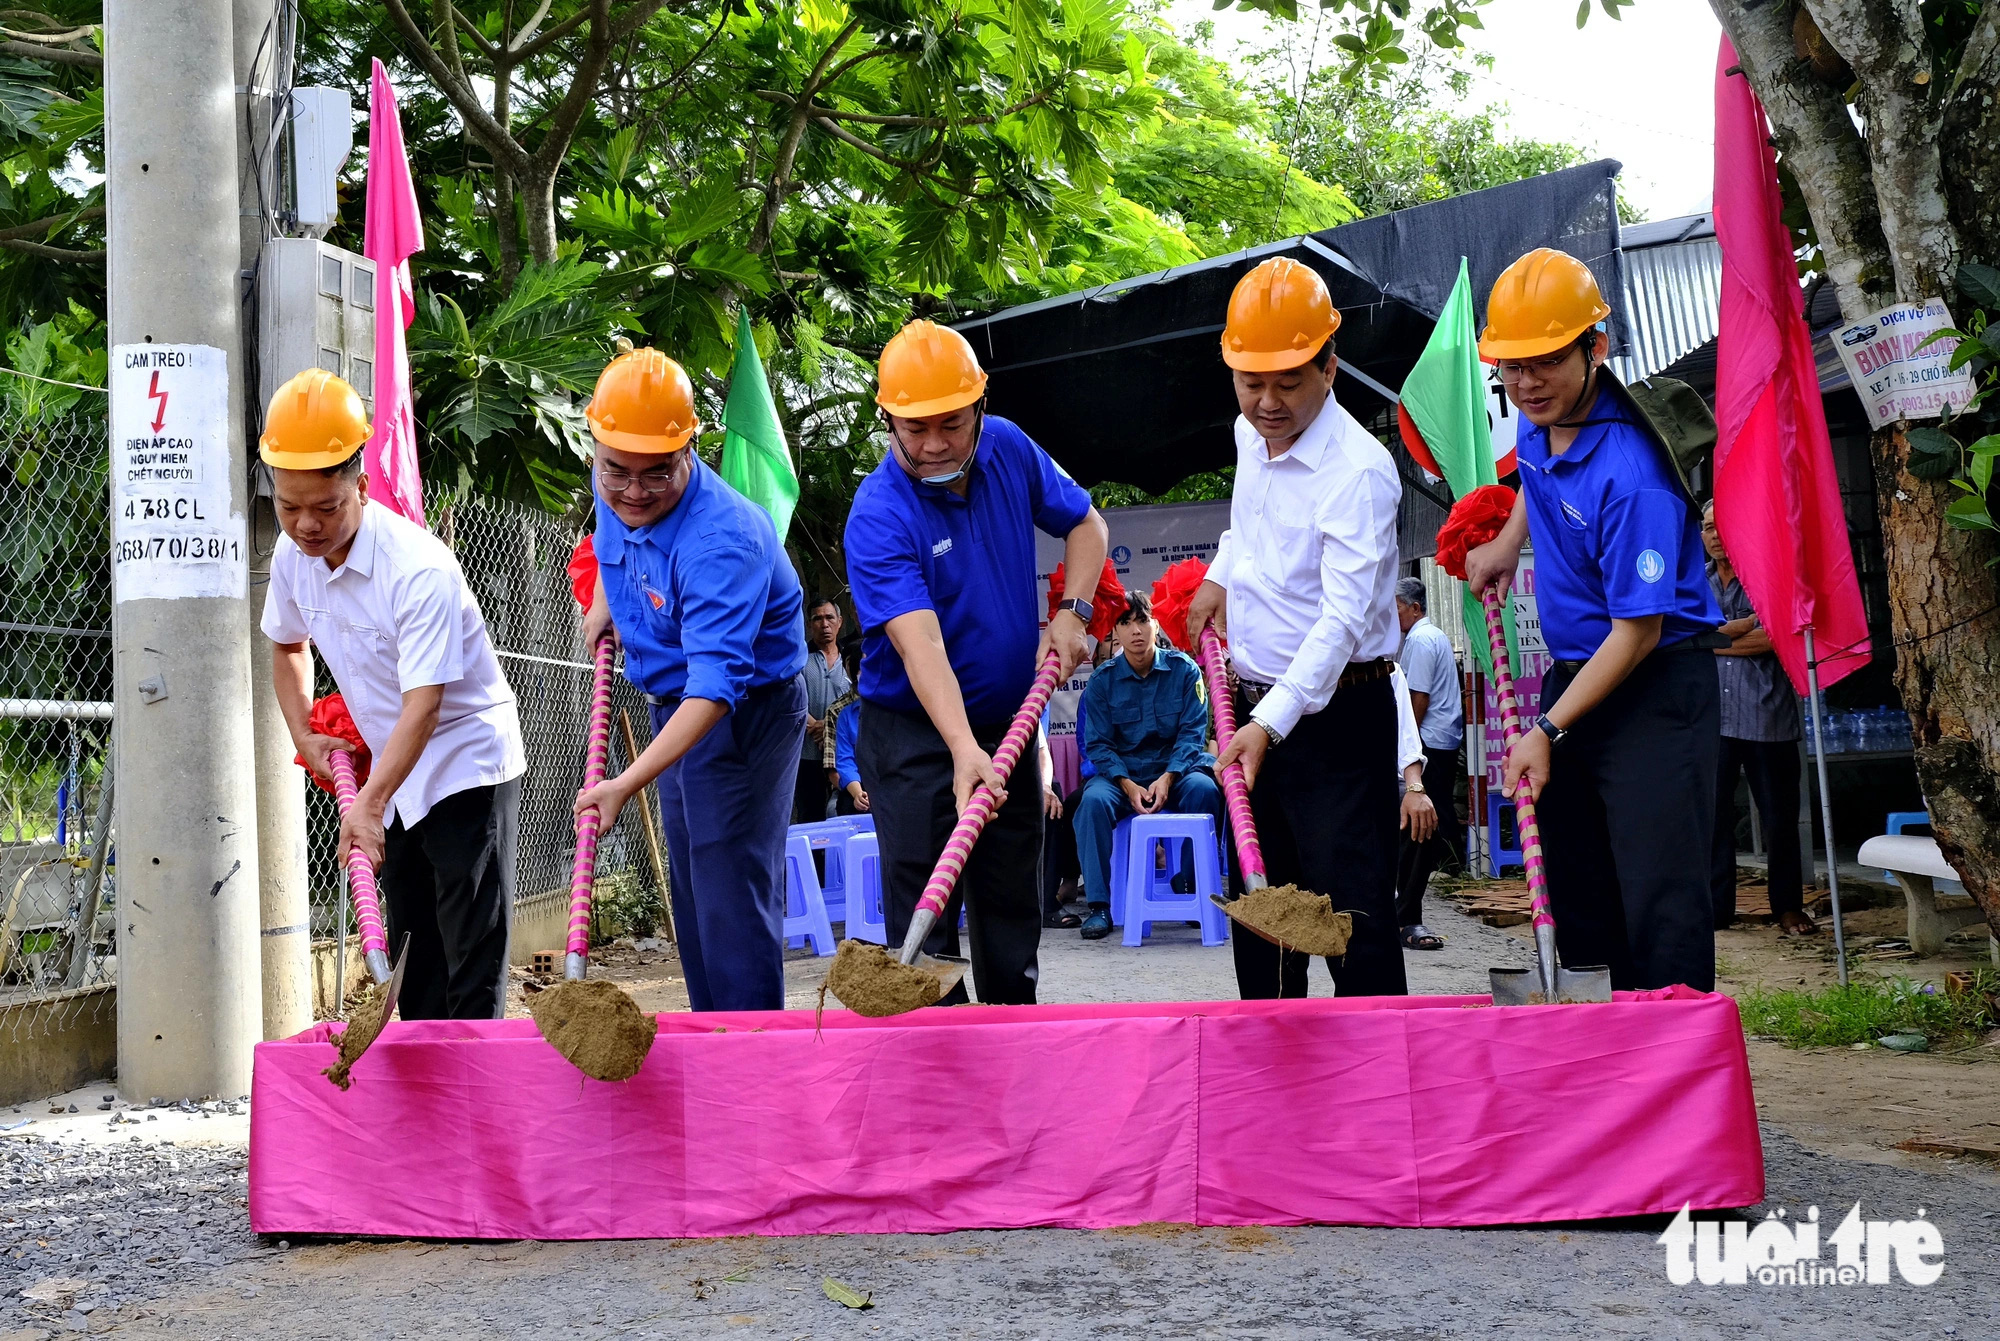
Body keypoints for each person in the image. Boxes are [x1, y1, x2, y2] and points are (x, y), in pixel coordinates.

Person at [1462, 248, 1725, 992]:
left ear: (1594, 348)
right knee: (1576, 878)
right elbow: (1535, 478)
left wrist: (1546, 731)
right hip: (1575, 677)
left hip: (1653, 685)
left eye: (1544, 362)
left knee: (1657, 894)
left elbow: (1637, 633)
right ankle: (1595, 1055)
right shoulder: (1544, 426)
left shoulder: (1633, 475)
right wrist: (1507, 545)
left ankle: (1671, 1070)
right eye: (1510, 367)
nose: (1525, 383)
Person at [845, 319, 1108, 1006]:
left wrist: (1073, 611)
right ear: (889, 421)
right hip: (914, 741)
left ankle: (1011, 1044)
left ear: (979, 409)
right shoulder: (877, 513)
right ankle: (938, 1065)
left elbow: (1087, 524)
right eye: (915, 427)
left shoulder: (1010, 449)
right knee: (925, 914)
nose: (934, 444)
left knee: (1012, 903)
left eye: (951, 425)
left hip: (1010, 725)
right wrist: (964, 749)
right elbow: (919, 642)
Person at [258, 369, 526, 1020]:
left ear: (361, 482)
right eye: (289, 507)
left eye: (325, 507)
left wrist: (369, 804)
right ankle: (426, 1103)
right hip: (397, 768)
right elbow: (287, 645)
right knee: (414, 954)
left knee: (470, 951)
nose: (306, 524)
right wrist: (303, 734)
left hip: (466, 759)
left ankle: (474, 1104)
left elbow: (426, 705)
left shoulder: (418, 569)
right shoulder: (294, 558)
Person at [1185, 256, 1408, 1000]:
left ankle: (1376, 1099)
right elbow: (1246, 527)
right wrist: (1219, 573)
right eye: (1252, 382)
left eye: (1289, 381)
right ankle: (1275, 1096)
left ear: (1330, 367)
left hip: (1338, 717)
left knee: (1352, 925)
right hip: (1255, 715)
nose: (1269, 402)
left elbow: (1342, 619)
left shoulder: (1359, 471)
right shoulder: (1252, 436)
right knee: (1264, 923)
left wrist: (1270, 723)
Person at [572, 347, 807, 1013]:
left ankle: (750, 1060)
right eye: (617, 469)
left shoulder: (722, 540)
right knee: (695, 886)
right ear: (599, 446)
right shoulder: (615, 478)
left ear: (690, 447)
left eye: (657, 474)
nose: (633, 491)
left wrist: (623, 781)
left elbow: (714, 689)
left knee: (729, 883)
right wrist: (606, 602)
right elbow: (619, 533)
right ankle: (714, 1040)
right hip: (673, 699)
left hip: (741, 711)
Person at [1072, 592, 1225, 940]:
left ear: (1155, 624)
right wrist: (1127, 784)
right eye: (1125, 623)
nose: (1135, 631)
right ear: (1115, 632)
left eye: (1142, 620)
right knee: (1092, 803)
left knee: (1205, 790)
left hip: (1176, 771)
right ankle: (1099, 905)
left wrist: (1169, 777)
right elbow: (1099, 745)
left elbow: (1193, 734)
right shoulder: (1101, 681)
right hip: (1121, 777)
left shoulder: (1185, 671)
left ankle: (1190, 883)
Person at [1702, 501, 1811, 936]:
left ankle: (1788, 907)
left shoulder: (1765, 577)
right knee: (1713, 820)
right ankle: (1717, 909)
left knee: (1780, 819)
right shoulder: (1698, 583)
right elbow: (1683, 635)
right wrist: (1740, 628)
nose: (1711, 534)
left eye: (1719, 526)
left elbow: (1777, 638)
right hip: (1713, 719)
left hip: (1768, 717)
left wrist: (1713, 639)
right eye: (1706, 527)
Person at [1392, 577, 1464, 950]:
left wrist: (1408, 750)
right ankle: (1404, 906)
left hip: (1427, 742)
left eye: (1398, 607)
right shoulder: (1430, 636)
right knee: (1421, 826)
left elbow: (1416, 699)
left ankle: (1406, 912)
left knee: (1419, 827)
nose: (1394, 614)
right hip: (1440, 738)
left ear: (1415, 608)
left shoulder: (1420, 639)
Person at [797, 597, 850, 823]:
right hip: (807, 753)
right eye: (817, 619)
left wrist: (829, 729)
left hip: (845, 755)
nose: (824, 624)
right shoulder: (798, 659)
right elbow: (792, 700)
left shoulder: (852, 658)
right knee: (811, 817)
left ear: (840, 622)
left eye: (829, 617)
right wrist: (816, 728)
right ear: (809, 625)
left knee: (846, 811)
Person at [826, 640, 865, 815]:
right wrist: (858, 794)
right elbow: (844, 761)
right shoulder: (846, 715)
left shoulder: (896, 712)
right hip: (858, 786)